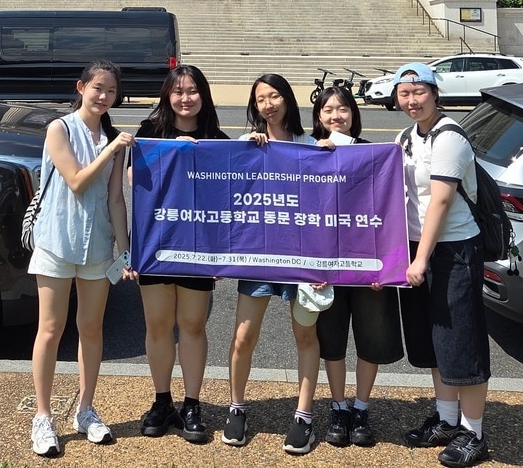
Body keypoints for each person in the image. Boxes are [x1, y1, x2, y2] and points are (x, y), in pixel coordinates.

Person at [28, 60, 136, 457]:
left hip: (96, 247)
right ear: (81, 87)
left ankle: (85, 409)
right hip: (57, 242)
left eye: (110, 91)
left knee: (91, 328)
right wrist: (111, 148)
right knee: (51, 329)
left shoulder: (111, 136)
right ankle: (42, 416)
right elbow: (75, 181)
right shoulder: (60, 128)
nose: (104, 96)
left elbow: (114, 199)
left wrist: (125, 251)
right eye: (97, 88)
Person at [224, 73, 327, 455]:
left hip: (302, 259)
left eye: (275, 95)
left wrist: (329, 151)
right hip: (259, 257)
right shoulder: (247, 143)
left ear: (287, 99)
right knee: (243, 336)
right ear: (255, 106)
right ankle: (236, 407)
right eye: (261, 99)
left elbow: (329, 200)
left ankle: (303, 414)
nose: (269, 103)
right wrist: (246, 152)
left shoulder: (309, 144)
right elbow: (227, 188)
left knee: (304, 336)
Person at [394, 62, 491, 466]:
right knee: (434, 342)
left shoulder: (449, 138)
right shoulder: (406, 137)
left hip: (452, 251)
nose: (412, 100)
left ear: (435, 94)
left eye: (419, 91)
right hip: (419, 249)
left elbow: (441, 200)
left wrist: (419, 259)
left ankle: (474, 432)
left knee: (460, 344)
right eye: (404, 93)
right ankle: (447, 419)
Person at [133, 64, 229, 443]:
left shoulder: (218, 140)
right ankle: (161, 400)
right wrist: (173, 151)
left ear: (203, 95)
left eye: (192, 91)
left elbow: (229, 198)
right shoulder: (148, 133)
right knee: (157, 326)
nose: (185, 98)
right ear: (167, 96)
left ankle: (192, 403)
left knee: (192, 326)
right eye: (178, 91)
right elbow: (134, 181)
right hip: (156, 242)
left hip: (199, 247)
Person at [310, 84, 403, 448]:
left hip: (368, 266)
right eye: (328, 110)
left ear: (354, 113)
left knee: (371, 338)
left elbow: (390, 212)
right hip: (325, 270)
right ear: (318, 117)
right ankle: (339, 406)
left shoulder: (375, 154)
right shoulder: (308, 153)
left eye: (343, 108)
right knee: (330, 340)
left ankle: (361, 407)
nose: (337, 116)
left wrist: (387, 267)